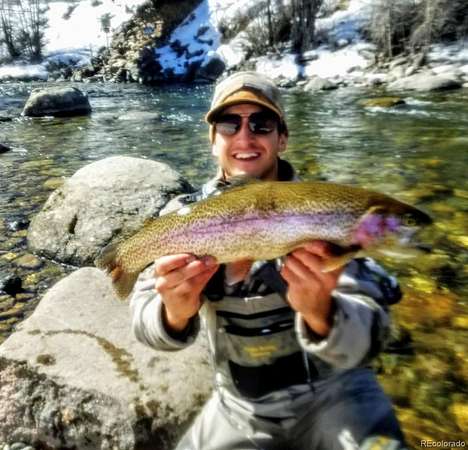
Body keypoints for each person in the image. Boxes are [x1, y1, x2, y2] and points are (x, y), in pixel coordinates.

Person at [130, 71, 407, 450]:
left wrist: (323, 314)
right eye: (229, 124)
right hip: (240, 410)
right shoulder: (183, 219)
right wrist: (173, 313)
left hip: (339, 393)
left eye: (261, 123)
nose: (245, 137)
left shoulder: (328, 208)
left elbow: (374, 335)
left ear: (283, 138)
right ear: (213, 141)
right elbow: (144, 323)